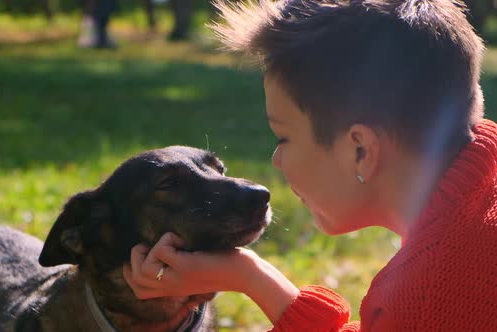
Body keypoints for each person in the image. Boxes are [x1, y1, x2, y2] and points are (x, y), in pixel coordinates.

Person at [123, 0, 497, 330]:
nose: (276, 160)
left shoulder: (435, 290)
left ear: (360, 150)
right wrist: (250, 275)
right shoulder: (471, 223)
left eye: (283, 137)